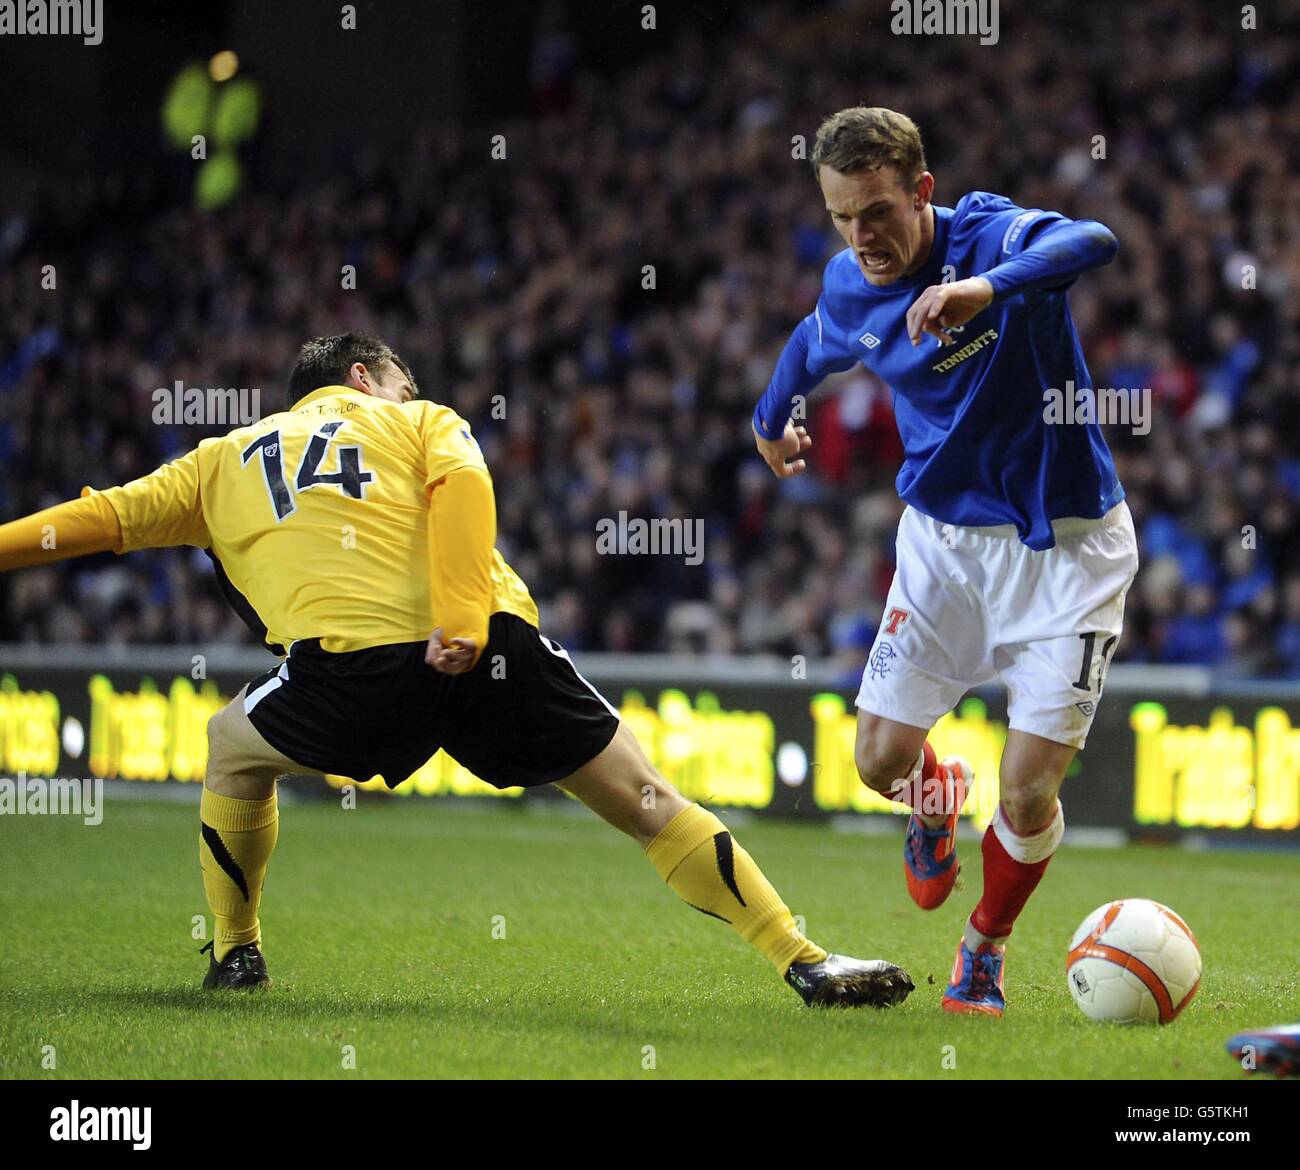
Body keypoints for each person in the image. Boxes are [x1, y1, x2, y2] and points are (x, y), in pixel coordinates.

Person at [0, 330, 913, 1010]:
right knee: (646, 801)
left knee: (229, 747)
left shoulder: (215, 463)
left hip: (345, 679)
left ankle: (237, 952)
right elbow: (465, 488)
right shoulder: (421, 420)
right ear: (364, 377)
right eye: (401, 379)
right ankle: (804, 958)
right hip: (488, 656)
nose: (409, 391)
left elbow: (90, 521)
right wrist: (463, 620)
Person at [753, 108, 1138, 1016]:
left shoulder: (995, 234)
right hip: (944, 551)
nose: (863, 238)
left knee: (1031, 784)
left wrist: (988, 291)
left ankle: (983, 951)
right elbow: (813, 342)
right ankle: (932, 797)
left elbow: (1096, 239)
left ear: (922, 191)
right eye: (844, 217)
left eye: (878, 211)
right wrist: (772, 417)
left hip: (1069, 549)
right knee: (876, 761)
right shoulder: (852, 284)